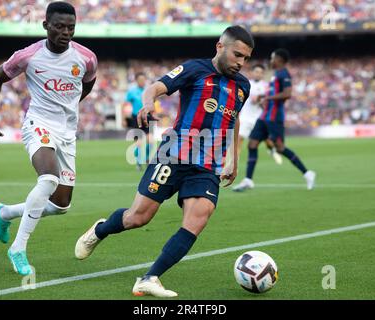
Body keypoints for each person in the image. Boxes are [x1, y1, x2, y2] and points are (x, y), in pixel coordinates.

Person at [75, 25, 253, 297]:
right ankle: (100, 230)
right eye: (237, 55)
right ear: (220, 47)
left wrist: (233, 158)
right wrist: (147, 105)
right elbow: (155, 88)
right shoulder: (194, 69)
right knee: (138, 217)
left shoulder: (242, 86)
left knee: (199, 217)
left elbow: (235, 118)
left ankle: (149, 278)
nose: (241, 63)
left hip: (207, 165)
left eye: (246, 58)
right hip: (173, 154)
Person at [0, 1, 97, 276]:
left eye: (71, 27)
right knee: (47, 179)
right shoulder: (28, 55)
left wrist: (71, 105)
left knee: (60, 206)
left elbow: (89, 81)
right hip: (38, 124)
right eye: (59, 26)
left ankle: (5, 213)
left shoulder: (86, 57)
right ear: (45, 25)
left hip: (67, 132)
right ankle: (18, 248)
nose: (65, 32)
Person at [233, 48, 316, 192]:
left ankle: (307, 173)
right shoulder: (274, 75)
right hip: (264, 116)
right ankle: (248, 180)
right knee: (252, 145)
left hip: (275, 117)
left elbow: (287, 94)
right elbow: (271, 92)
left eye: (273, 58)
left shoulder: (284, 74)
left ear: (279, 59)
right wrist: (262, 97)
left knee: (280, 148)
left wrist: (268, 98)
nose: (271, 60)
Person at [237, 63, 282, 165]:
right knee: (239, 139)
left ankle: (272, 150)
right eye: (256, 72)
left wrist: (262, 101)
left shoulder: (266, 86)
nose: (258, 74)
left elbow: (266, 102)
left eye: (261, 72)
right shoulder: (246, 83)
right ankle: (235, 161)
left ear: (263, 74)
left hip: (259, 118)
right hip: (245, 117)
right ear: (252, 72)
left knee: (267, 141)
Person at [125, 72, 152, 170]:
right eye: (140, 80)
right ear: (136, 80)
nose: (142, 81)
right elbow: (125, 104)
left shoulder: (149, 90)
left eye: (143, 79)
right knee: (139, 143)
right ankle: (138, 162)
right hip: (136, 118)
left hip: (149, 117)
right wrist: (124, 117)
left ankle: (147, 158)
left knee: (151, 141)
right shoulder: (132, 92)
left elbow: (153, 103)